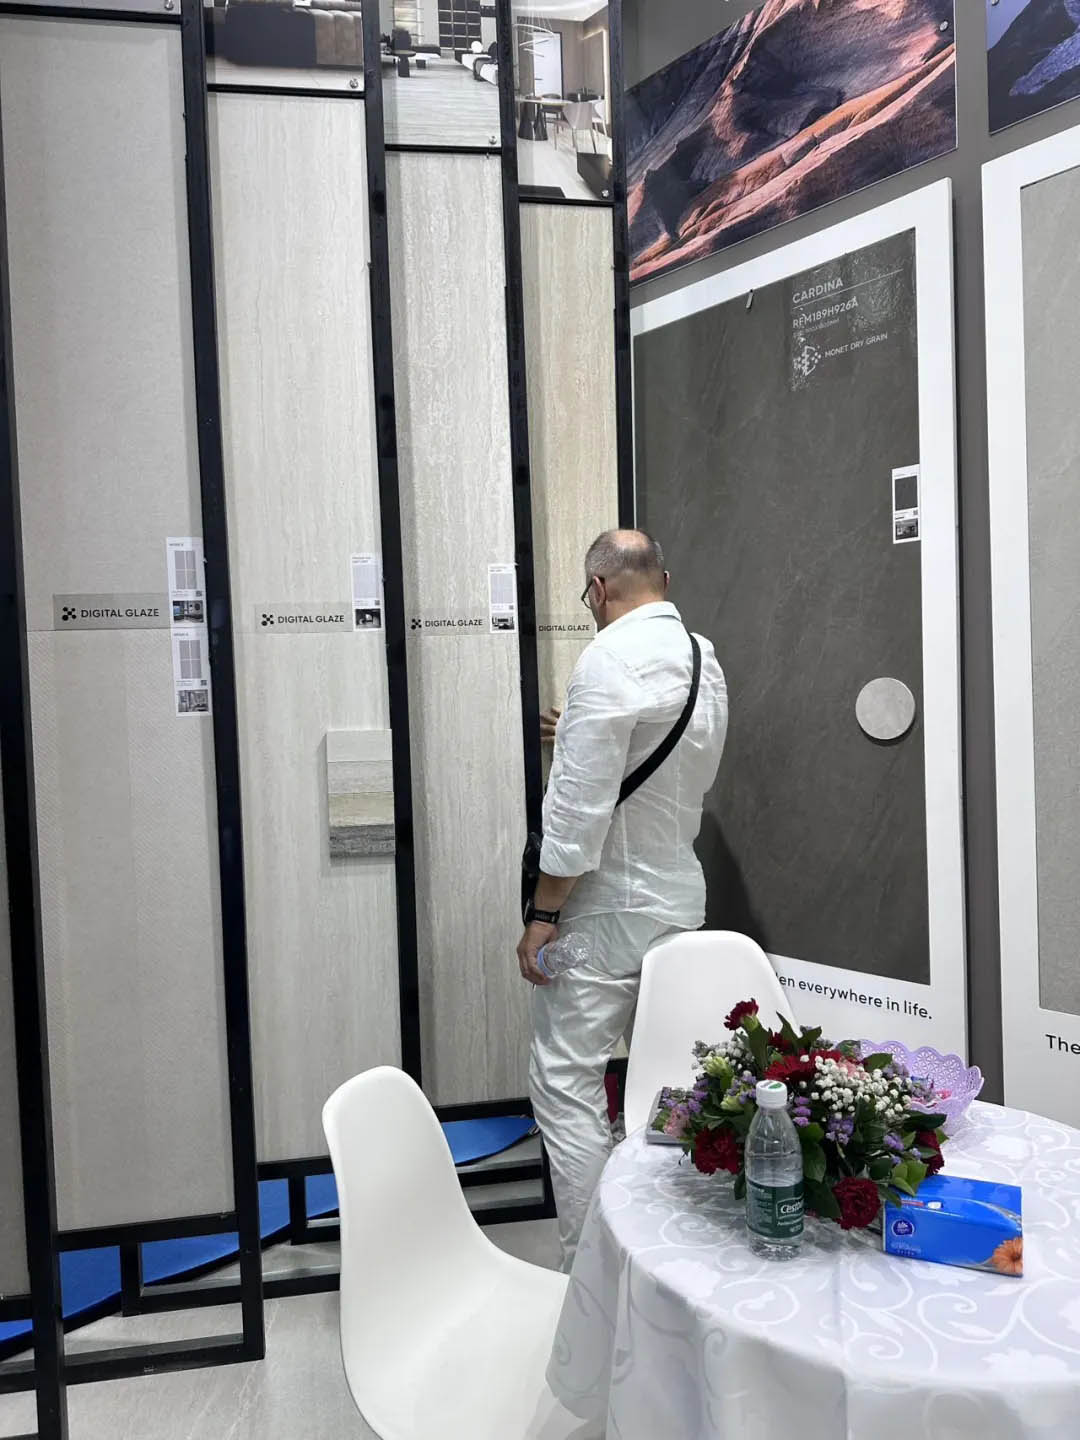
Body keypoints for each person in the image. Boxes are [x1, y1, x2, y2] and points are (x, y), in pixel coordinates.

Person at [517, 529, 728, 1268]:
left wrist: (543, 915)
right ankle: (666, 1260)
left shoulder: (606, 659)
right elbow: (680, 774)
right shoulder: (702, 659)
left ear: (598, 590)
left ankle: (594, 1270)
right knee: (666, 1083)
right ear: (662, 581)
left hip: (603, 914)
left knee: (565, 1078)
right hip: (678, 903)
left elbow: (577, 817)